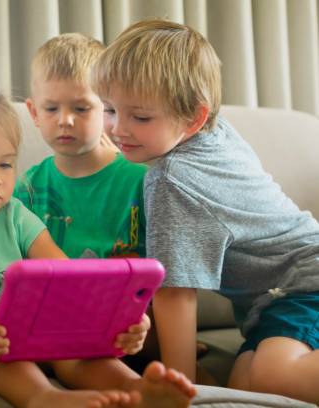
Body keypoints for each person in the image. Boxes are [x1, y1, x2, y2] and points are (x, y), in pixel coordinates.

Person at [0, 70, 196, 408]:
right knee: (5, 348)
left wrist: (117, 318)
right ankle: (45, 399)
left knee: (68, 345)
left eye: (6, 165)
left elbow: (68, 276)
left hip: (10, 335)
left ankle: (139, 391)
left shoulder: (17, 216)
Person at [92, 18, 319, 404]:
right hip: (272, 304)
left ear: (194, 117)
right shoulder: (213, 129)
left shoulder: (171, 180)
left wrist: (181, 388)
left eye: (140, 117)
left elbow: (176, 292)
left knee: (271, 377)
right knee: (244, 383)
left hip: (305, 282)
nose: (117, 129)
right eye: (110, 109)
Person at [15, 33, 147, 259]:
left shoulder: (142, 182)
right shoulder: (27, 189)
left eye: (81, 108)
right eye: (51, 109)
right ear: (34, 113)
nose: (65, 120)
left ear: (107, 108)